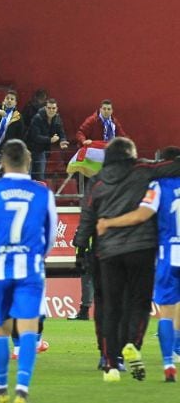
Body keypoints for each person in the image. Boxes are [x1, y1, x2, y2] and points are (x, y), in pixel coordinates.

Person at [74, 138, 180, 382]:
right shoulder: (143, 171)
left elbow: (88, 216)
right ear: (131, 155)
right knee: (139, 303)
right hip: (142, 248)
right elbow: (170, 167)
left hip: (107, 252)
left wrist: (80, 248)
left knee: (109, 306)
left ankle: (109, 360)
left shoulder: (96, 182)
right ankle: (132, 344)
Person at [0, 139, 58, 403]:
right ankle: (23, 389)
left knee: (0, 330)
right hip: (30, 270)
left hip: (0, 270)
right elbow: (50, 236)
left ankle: (1, 387)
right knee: (28, 329)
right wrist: (38, 257)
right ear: (28, 160)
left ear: (3, 161)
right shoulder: (43, 194)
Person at [26, 98, 69, 181]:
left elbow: (61, 132)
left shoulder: (57, 118)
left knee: (40, 177)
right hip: (29, 149)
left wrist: (62, 141)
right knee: (28, 176)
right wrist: (50, 140)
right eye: (49, 108)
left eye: (53, 108)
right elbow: (35, 137)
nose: (51, 110)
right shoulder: (37, 118)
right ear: (45, 108)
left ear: (56, 109)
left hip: (41, 150)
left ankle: (38, 193)